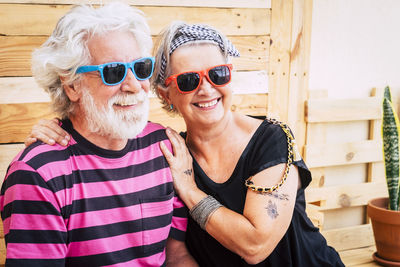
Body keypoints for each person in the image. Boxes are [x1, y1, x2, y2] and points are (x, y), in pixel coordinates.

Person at [24, 21, 345, 266]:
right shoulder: (167, 150)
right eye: (189, 80)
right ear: (166, 93)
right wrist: (51, 131)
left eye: (218, 74)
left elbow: (255, 245)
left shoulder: (271, 139)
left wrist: (189, 189)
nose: (206, 89)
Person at [0, 4, 198, 267]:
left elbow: (176, 256)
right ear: (71, 85)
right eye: (113, 72)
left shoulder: (164, 147)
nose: (133, 86)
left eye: (140, 67)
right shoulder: (38, 174)